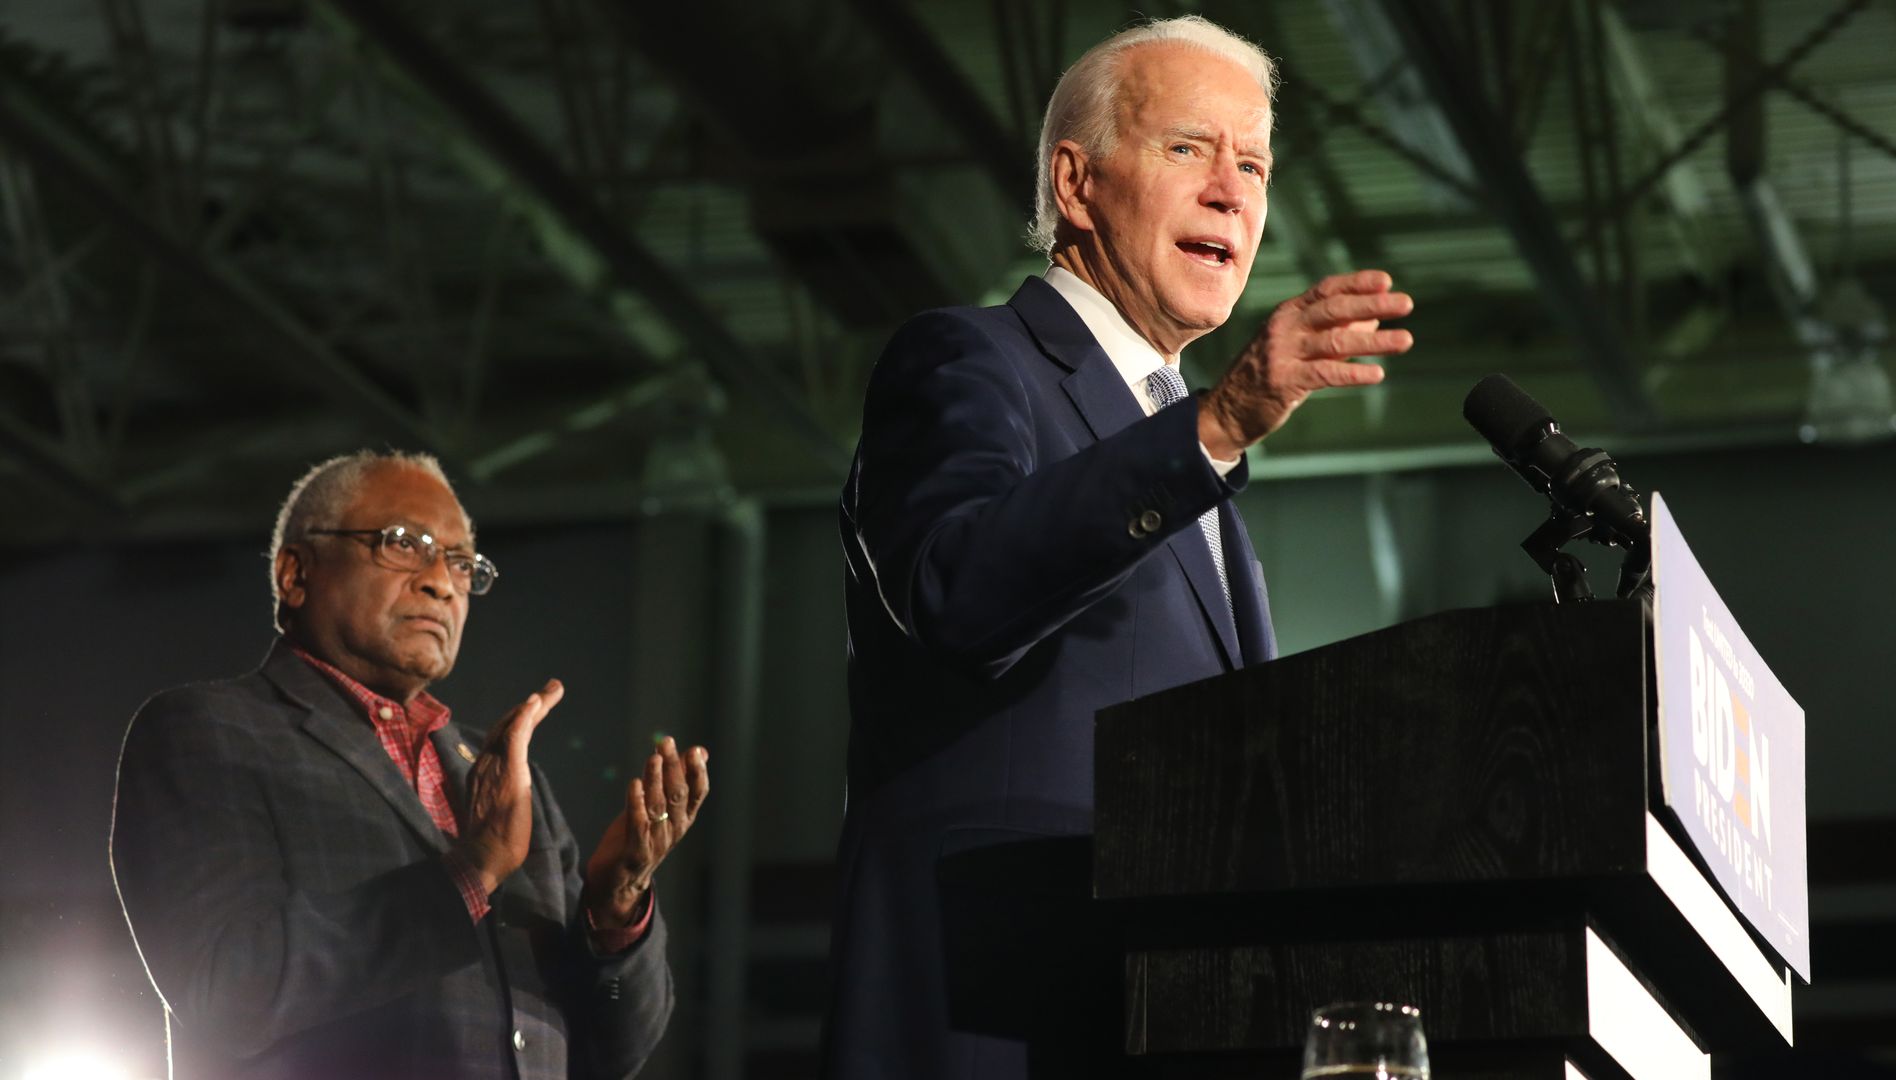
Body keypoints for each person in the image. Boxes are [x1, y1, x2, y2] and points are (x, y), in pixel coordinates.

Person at [822, 14, 1414, 1079]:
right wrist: (1215, 428)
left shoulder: (1197, 466)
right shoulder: (970, 361)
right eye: (1189, 148)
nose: (1233, 190)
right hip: (990, 1006)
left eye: (1254, 165)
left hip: (1165, 1016)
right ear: (1077, 183)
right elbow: (955, 590)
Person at [111, 450, 708, 1079]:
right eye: (403, 543)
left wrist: (615, 912)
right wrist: (472, 873)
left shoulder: (503, 775)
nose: (441, 582)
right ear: (295, 574)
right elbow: (229, 988)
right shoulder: (210, 731)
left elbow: (611, 1050)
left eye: (459, 562)